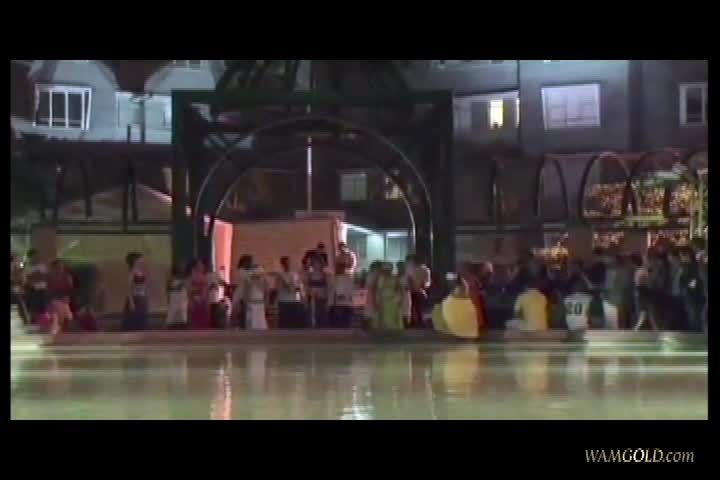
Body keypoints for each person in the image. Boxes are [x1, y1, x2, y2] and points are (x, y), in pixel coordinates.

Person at [678, 246, 705, 332]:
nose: (681, 258)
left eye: (682, 255)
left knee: (694, 315)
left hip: (693, 295)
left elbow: (695, 279)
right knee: (691, 315)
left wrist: (688, 287)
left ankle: (696, 331)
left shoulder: (693, 267)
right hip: (689, 295)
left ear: (687, 255)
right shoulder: (686, 266)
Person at [372, 262, 404, 330]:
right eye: (385, 270)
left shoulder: (395, 279)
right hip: (382, 301)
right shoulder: (379, 279)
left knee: (391, 318)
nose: (386, 272)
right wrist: (375, 301)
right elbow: (375, 290)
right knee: (381, 319)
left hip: (392, 302)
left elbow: (400, 290)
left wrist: (400, 300)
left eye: (387, 270)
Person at [276, 256, 306, 328]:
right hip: (284, 301)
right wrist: (289, 285)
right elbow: (279, 288)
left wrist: (300, 299)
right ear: (282, 264)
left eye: (289, 262)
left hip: (293, 301)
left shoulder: (295, 275)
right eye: (285, 263)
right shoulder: (280, 275)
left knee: (294, 323)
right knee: (284, 323)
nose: (288, 264)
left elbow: (299, 288)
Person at [631, 253, 657, 331]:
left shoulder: (641, 271)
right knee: (644, 311)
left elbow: (643, 282)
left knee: (643, 310)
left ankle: (651, 327)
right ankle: (640, 327)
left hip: (642, 291)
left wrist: (639, 290)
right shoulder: (641, 270)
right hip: (642, 291)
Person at [123, 252, 149, 331]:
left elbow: (145, 286)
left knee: (142, 320)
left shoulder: (140, 272)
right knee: (134, 321)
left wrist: (146, 296)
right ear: (134, 261)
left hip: (142, 298)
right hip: (135, 299)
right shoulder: (131, 273)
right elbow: (128, 289)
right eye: (139, 260)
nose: (141, 261)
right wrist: (131, 302)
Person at [405, 254, 431, 328]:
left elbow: (427, 281)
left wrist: (423, 286)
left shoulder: (424, 269)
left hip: (418, 291)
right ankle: (414, 321)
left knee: (418, 307)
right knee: (412, 307)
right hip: (412, 291)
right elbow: (408, 279)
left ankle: (419, 321)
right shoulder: (410, 268)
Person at [24, 249, 49, 322]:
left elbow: (44, 276)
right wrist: (36, 276)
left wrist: (35, 276)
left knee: (43, 305)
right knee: (34, 304)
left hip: (42, 287)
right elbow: (28, 278)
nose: (35, 258)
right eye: (33, 256)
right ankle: (34, 318)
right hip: (33, 288)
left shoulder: (42, 265)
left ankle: (44, 319)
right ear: (29, 257)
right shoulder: (28, 267)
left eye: (36, 256)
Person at [328, 262, 355, 328]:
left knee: (343, 325)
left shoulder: (348, 279)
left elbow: (351, 291)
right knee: (342, 325)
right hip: (340, 305)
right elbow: (332, 292)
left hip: (344, 305)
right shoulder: (335, 279)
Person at [305, 253, 329, 328]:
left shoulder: (325, 275)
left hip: (322, 297)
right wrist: (307, 296)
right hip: (312, 297)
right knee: (312, 314)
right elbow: (307, 287)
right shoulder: (309, 275)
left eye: (318, 262)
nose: (317, 264)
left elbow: (327, 288)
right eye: (315, 262)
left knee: (321, 315)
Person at [188, 259, 211, 330]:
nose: (202, 266)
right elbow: (189, 290)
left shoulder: (204, 276)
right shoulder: (192, 276)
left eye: (202, 265)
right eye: (200, 265)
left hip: (203, 304)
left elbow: (206, 291)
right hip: (194, 303)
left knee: (204, 325)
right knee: (194, 324)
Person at [244, 264, 268, 330]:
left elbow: (266, 291)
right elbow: (246, 292)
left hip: (259, 303)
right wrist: (246, 301)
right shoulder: (248, 280)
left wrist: (266, 302)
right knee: (251, 321)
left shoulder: (262, 280)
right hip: (251, 303)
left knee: (259, 321)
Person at [232, 255, 253, 328]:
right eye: (249, 262)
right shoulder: (241, 271)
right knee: (242, 314)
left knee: (246, 315)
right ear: (244, 262)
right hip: (241, 294)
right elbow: (248, 280)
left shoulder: (249, 271)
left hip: (247, 294)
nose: (250, 263)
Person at [166, 264, 188, 329]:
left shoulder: (185, 279)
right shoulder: (171, 279)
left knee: (182, 315)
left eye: (182, 269)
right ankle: (171, 325)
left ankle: (182, 324)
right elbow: (168, 288)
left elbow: (187, 289)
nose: (181, 270)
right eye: (179, 268)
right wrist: (177, 287)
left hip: (182, 300)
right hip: (174, 300)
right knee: (172, 315)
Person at [363, 261, 383, 328]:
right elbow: (373, 288)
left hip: (371, 299)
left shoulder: (371, 275)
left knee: (370, 316)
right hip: (373, 299)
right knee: (372, 316)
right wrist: (375, 302)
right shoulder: (374, 275)